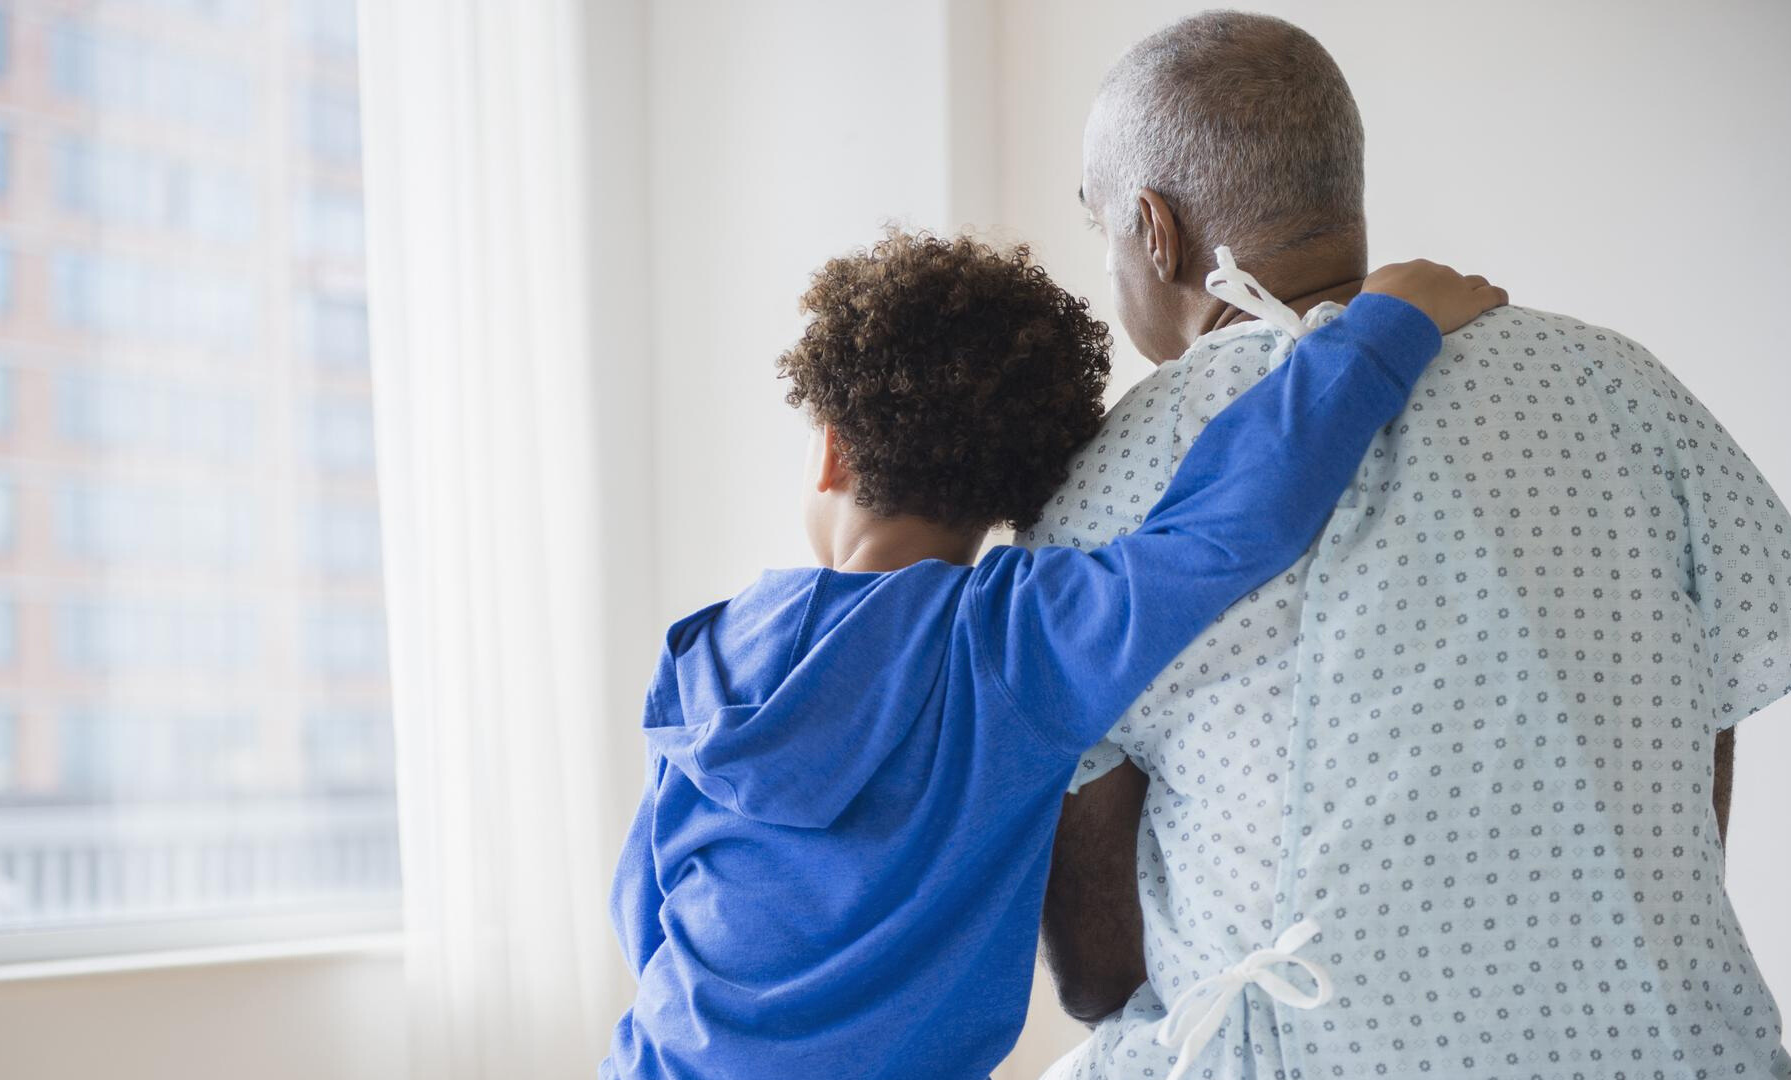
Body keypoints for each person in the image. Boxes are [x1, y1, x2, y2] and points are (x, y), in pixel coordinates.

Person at [1029, 12, 1791, 1080]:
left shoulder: (1111, 476)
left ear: (1155, 228)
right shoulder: (1623, 388)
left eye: (1100, 229)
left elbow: (1095, 974)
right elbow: (1701, 745)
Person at [600, 228, 1502, 1079]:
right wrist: (1383, 329)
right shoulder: (1011, 640)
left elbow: (643, 907)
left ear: (830, 453)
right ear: (1013, 490)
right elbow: (1226, 526)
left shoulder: (701, 653)